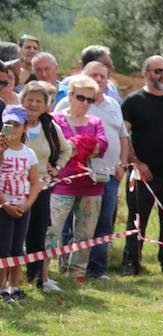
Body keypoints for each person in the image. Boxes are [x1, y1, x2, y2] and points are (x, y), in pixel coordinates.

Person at [55, 62, 129, 281]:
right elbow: (59, 145)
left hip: (101, 178)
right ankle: (57, 271)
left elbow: (112, 141)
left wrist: (122, 163)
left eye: (102, 76)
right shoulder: (60, 111)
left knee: (96, 227)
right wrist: (82, 145)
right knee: (60, 227)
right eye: (93, 75)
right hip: (66, 180)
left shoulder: (110, 107)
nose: (98, 79)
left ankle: (91, 270)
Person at [120, 55, 163, 276]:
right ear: (146, 73)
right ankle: (131, 262)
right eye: (158, 71)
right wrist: (136, 162)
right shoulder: (133, 101)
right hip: (142, 175)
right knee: (137, 220)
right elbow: (123, 135)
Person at [48, 74, 108, 283]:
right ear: (71, 96)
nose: (85, 104)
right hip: (62, 184)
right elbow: (56, 148)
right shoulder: (56, 119)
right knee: (52, 230)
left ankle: (77, 273)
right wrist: (82, 144)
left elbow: (101, 146)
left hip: (90, 185)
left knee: (85, 233)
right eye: (81, 98)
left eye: (90, 100)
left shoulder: (95, 121)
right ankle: (43, 271)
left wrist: (75, 145)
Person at [21, 81, 72, 292]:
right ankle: (8, 281)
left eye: (38, 101)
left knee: (38, 233)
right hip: (14, 188)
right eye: (29, 99)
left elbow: (66, 149)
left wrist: (57, 168)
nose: (33, 104)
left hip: (41, 188)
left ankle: (36, 279)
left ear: (46, 105)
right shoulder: (12, 123)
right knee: (12, 237)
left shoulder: (50, 126)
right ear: (22, 100)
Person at [0, 105, 40, 302]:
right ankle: (1, 288)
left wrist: (28, 204)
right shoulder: (1, 150)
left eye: (17, 124)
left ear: (25, 127)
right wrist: (5, 204)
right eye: (8, 124)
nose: (12, 128)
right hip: (3, 206)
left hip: (22, 206)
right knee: (3, 249)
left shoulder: (29, 153)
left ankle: (14, 287)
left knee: (17, 249)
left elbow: (35, 182)